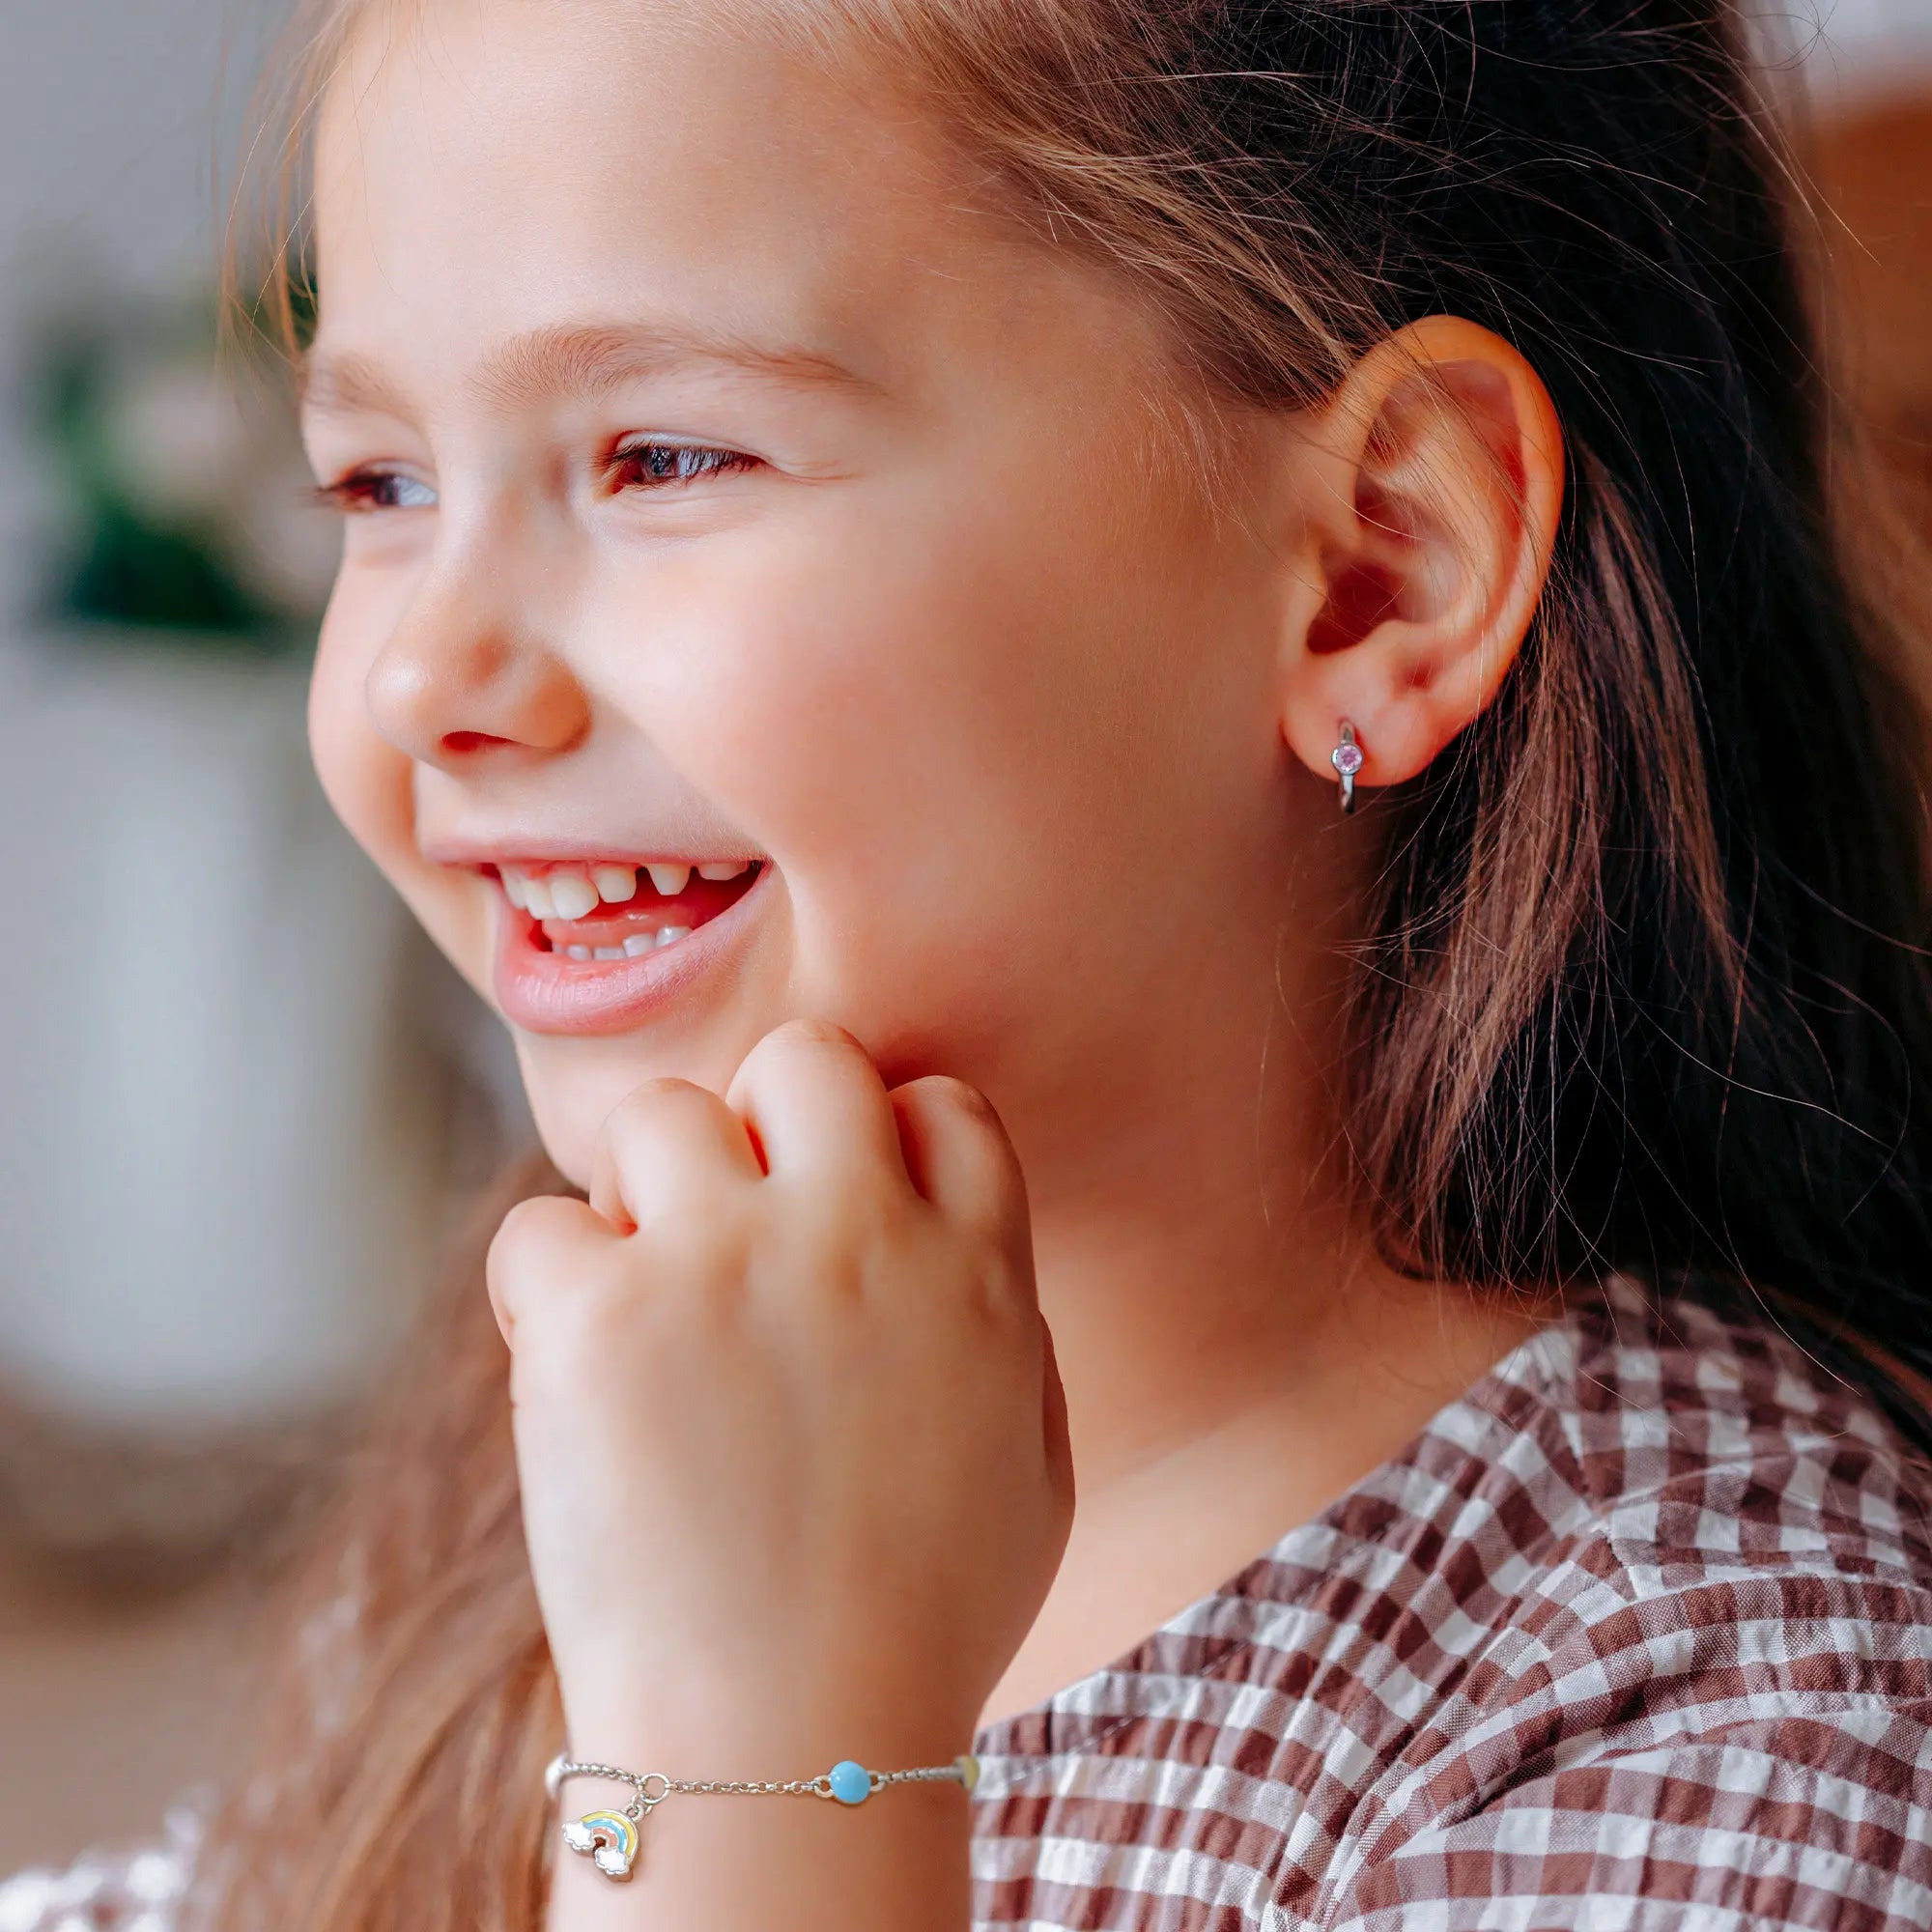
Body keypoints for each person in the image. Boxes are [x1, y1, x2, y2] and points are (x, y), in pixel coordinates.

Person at [7, 0, 1932, 1926]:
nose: (421, 679)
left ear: (1377, 569)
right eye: (378, 487)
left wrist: (758, 1744)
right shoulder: (637, 1380)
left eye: (663, 455)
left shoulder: (1741, 1726)